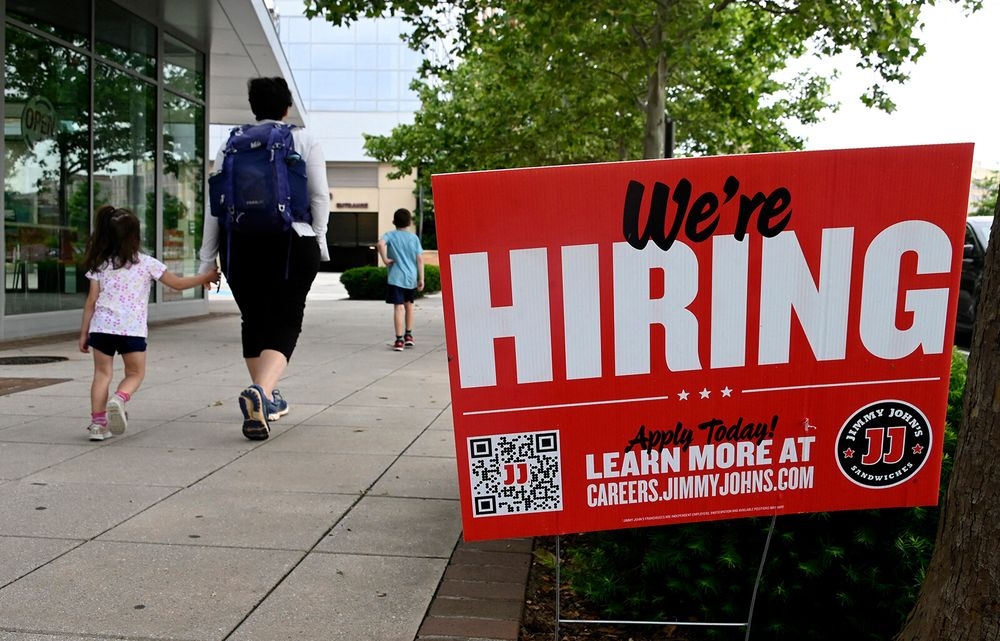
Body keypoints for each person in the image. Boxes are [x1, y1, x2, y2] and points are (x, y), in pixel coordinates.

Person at [197, 76, 330, 440]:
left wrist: (207, 259)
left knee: (253, 321)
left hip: (239, 245)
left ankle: (265, 401)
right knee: (287, 320)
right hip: (292, 241)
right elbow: (319, 198)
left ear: (254, 108)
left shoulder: (231, 145)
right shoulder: (304, 139)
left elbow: (215, 207)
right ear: (287, 107)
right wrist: (317, 242)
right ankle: (263, 392)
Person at [79, 205, 220, 441]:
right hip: (131, 330)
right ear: (135, 237)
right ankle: (119, 398)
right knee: (135, 373)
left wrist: (84, 333)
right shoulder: (146, 263)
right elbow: (177, 284)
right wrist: (205, 277)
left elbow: (91, 302)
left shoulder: (101, 265)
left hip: (102, 328)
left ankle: (97, 424)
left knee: (101, 374)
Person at [377, 208, 424, 351]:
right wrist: (421, 278)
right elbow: (420, 259)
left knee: (398, 307)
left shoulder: (390, 235)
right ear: (409, 222)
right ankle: (408, 335)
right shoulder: (414, 238)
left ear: (394, 222)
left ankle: (399, 341)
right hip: (410, 278)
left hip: (396, 278)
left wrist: (385, 259)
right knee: (409, 305)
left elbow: (380, 244)